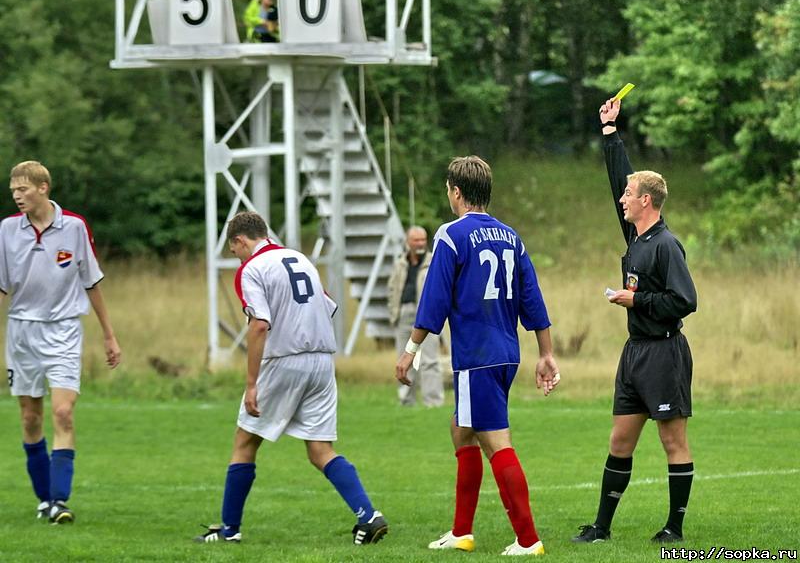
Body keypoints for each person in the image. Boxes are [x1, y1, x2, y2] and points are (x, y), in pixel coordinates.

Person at [395, 156, 560, 556]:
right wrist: (546, 353)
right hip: (506, 353)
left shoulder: (451, 236)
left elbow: (432, 300)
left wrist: (410, 350)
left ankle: (528, 540)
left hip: (477, 356)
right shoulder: (511, 237)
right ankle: (461, 533)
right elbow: (531, 298)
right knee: (461, 429)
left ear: (455, 192)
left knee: (495, 441)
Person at [195, 211, 387, 545]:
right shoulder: (299, 258)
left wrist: (252, 382)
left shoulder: (251, 269)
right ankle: (369, 517)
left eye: (233, 248)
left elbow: (259, 325)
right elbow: (329, 306)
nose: (235, 255)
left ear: (240, 240)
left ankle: (229, 531)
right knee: (319, 449)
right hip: (322, 361)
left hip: (285, 360)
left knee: (244, 442)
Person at [572, 99, 697, 544]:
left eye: (629, 194)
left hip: (665, 352)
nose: (622, 199)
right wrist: (609, 132)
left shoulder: (667, 245)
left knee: (671, 443)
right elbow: (616, 182)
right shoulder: (634, 234)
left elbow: (685, 301)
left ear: (646, 200)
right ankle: (601, 528)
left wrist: (636, 299)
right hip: (636, 354)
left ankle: (674, 528)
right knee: (620, 440)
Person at [1, 160, 121, 524]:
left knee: (63, 412)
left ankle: (59, 500)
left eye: (22, 189)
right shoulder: (6, 230)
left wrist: (109, 334)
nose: (17, 196)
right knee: (30, 416)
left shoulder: (75, 227)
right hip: (22, 331)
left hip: (65, 330)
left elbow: (92, 282)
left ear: (43, 188)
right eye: (13, 191)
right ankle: (44, 498)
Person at [387, 226, 444, 407]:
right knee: (403, 359)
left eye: (423, 240)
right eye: (416, 240)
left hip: (427, 316)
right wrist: (393, 313)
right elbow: (391, 289)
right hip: (403, 314)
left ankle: (433, 402)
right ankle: (406, 402)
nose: (420, 244)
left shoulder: (434, 262)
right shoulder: (400, 263)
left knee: (429, 360)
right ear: (408, 242)